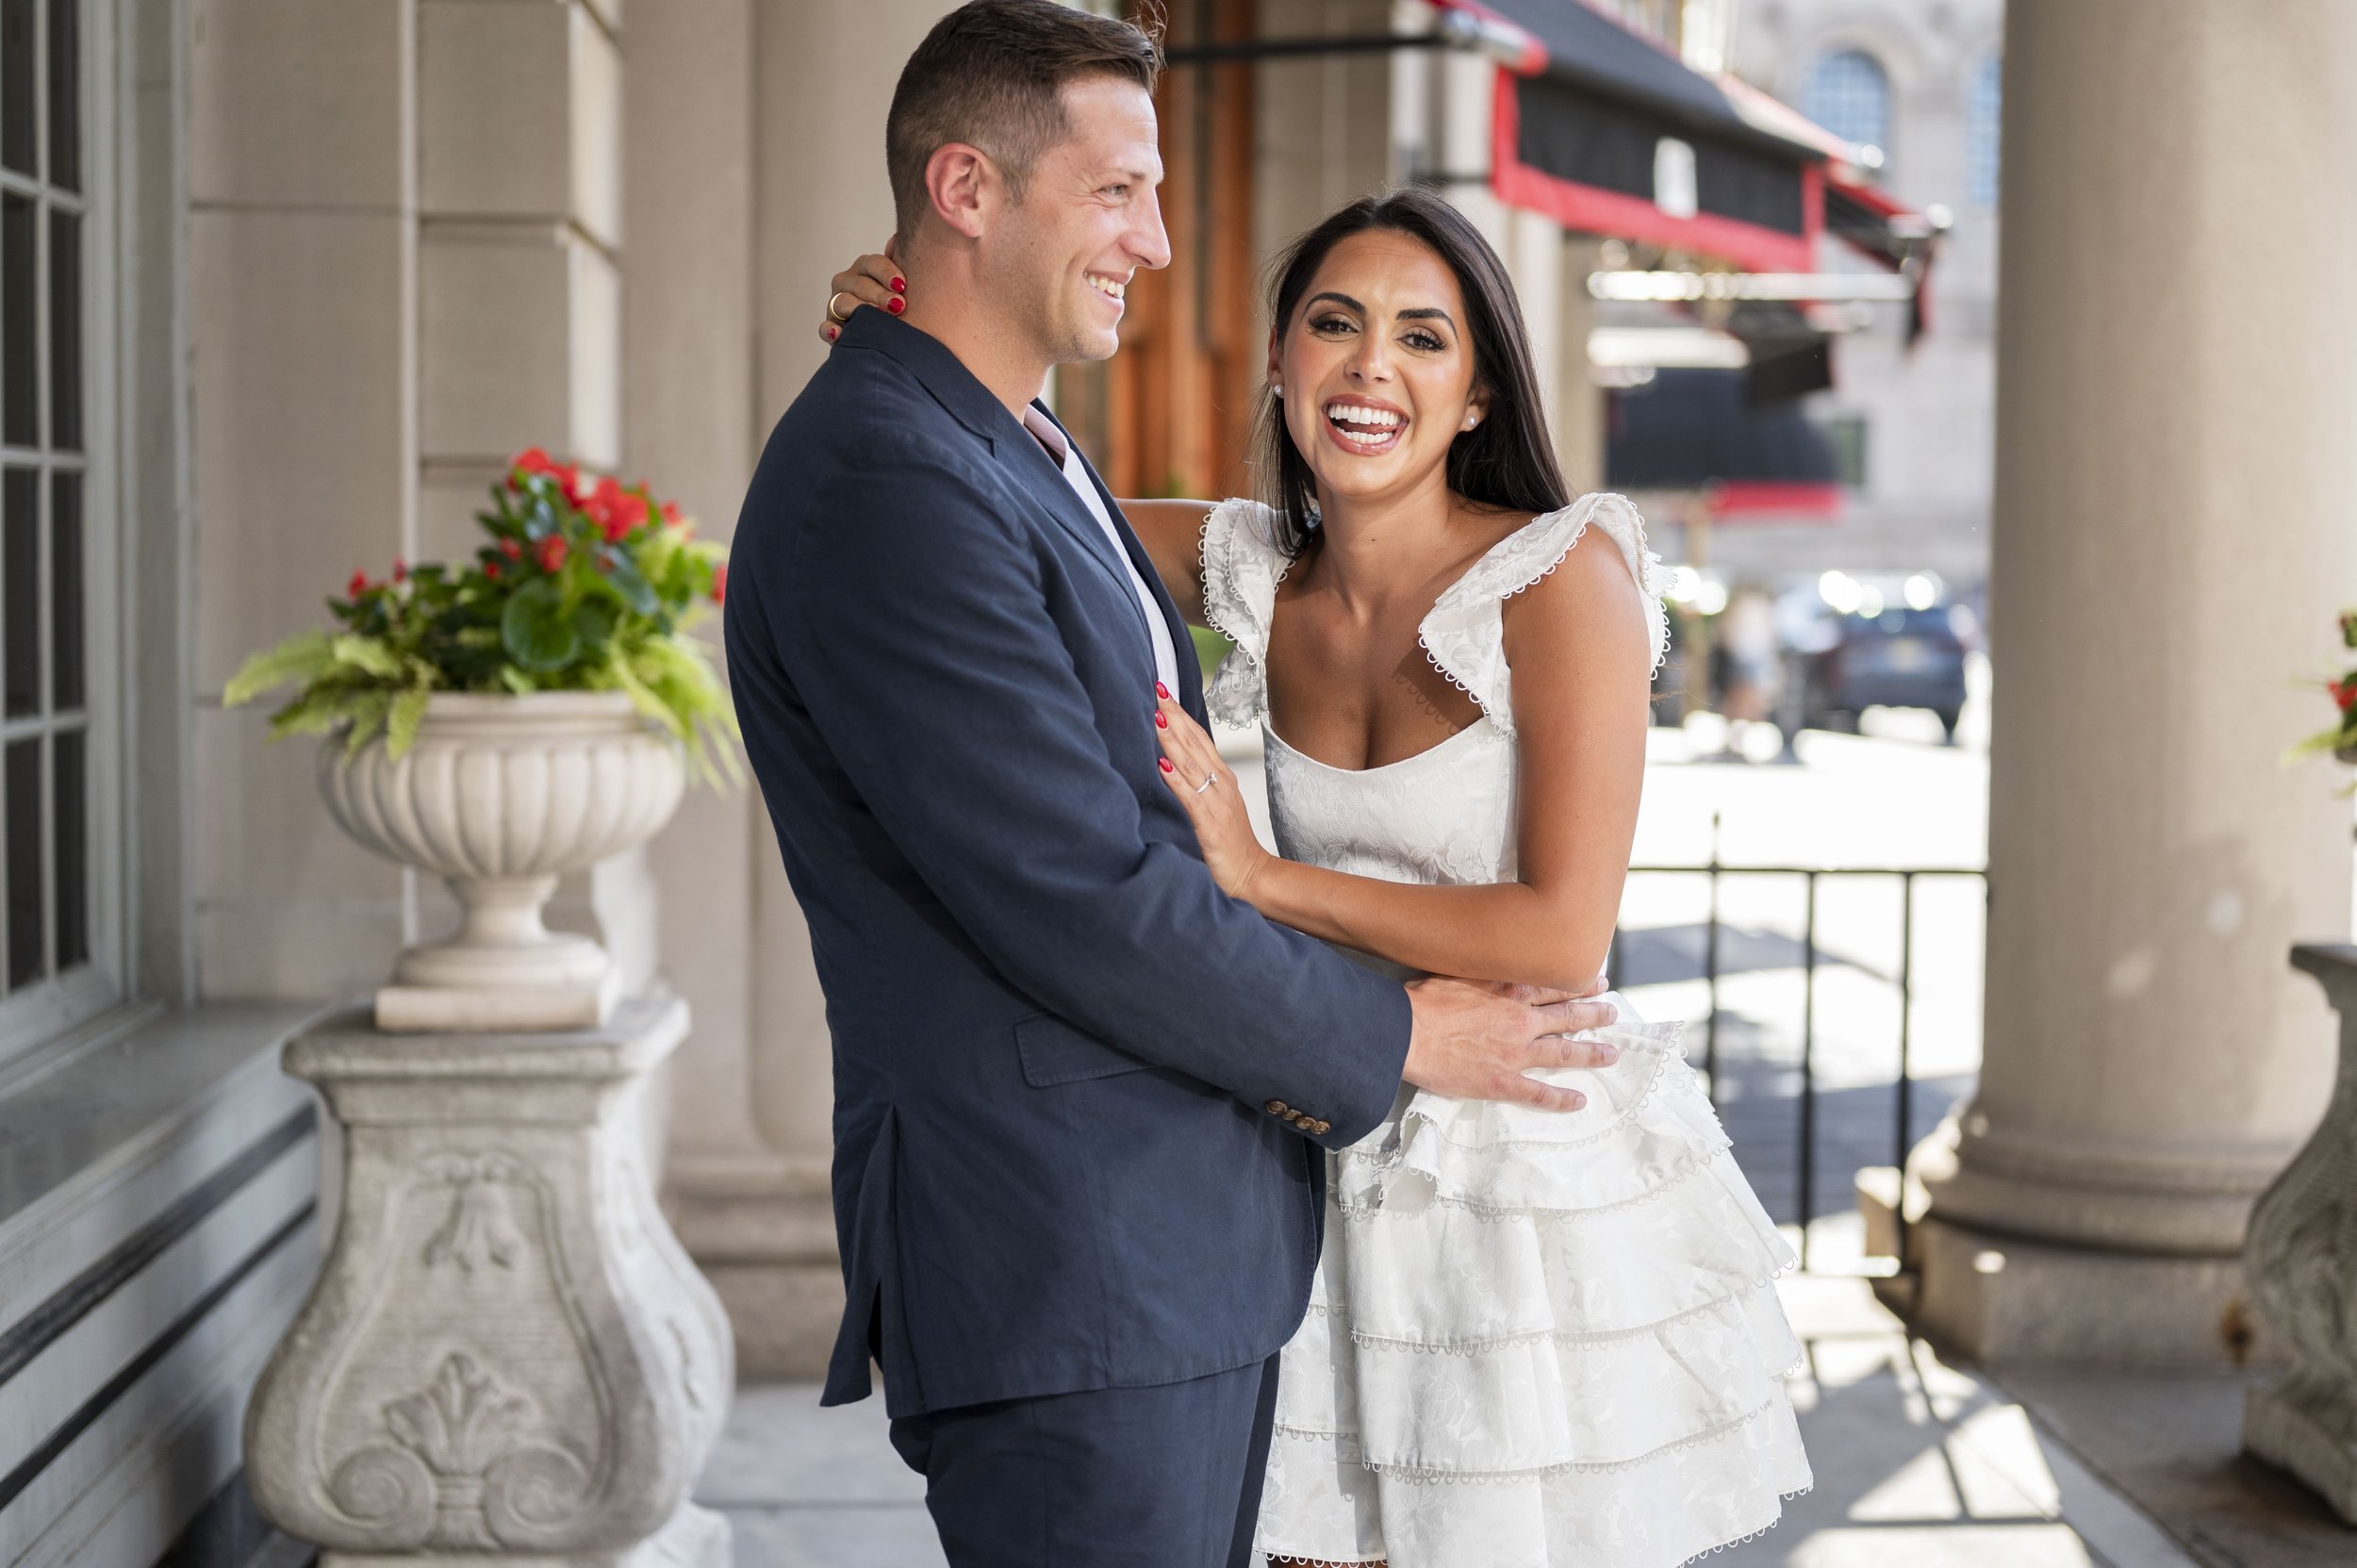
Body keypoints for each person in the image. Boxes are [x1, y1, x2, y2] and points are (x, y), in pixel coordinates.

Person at [726, 5, 1621, 1566]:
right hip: (1079, 1257)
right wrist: (1402, 1029)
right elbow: (1080, 900)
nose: (1156, 235)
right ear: (965, 190)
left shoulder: (1012, 444)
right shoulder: (896, 471)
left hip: (1231, 1238)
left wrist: (915, 318)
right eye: (1119, 191)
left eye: (1427, 338)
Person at [821, 187, 1811, 1564]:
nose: (1370, 368)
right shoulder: (1244, 566)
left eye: (1423, 339)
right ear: (1281, 361)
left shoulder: (1562, 574)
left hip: (1515, 1173)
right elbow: (1024, 495)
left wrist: (1268, 885)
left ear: (1475, 397)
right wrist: (926, 342)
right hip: (1317, 1138)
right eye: (1335, 326)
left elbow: (1562, 933)